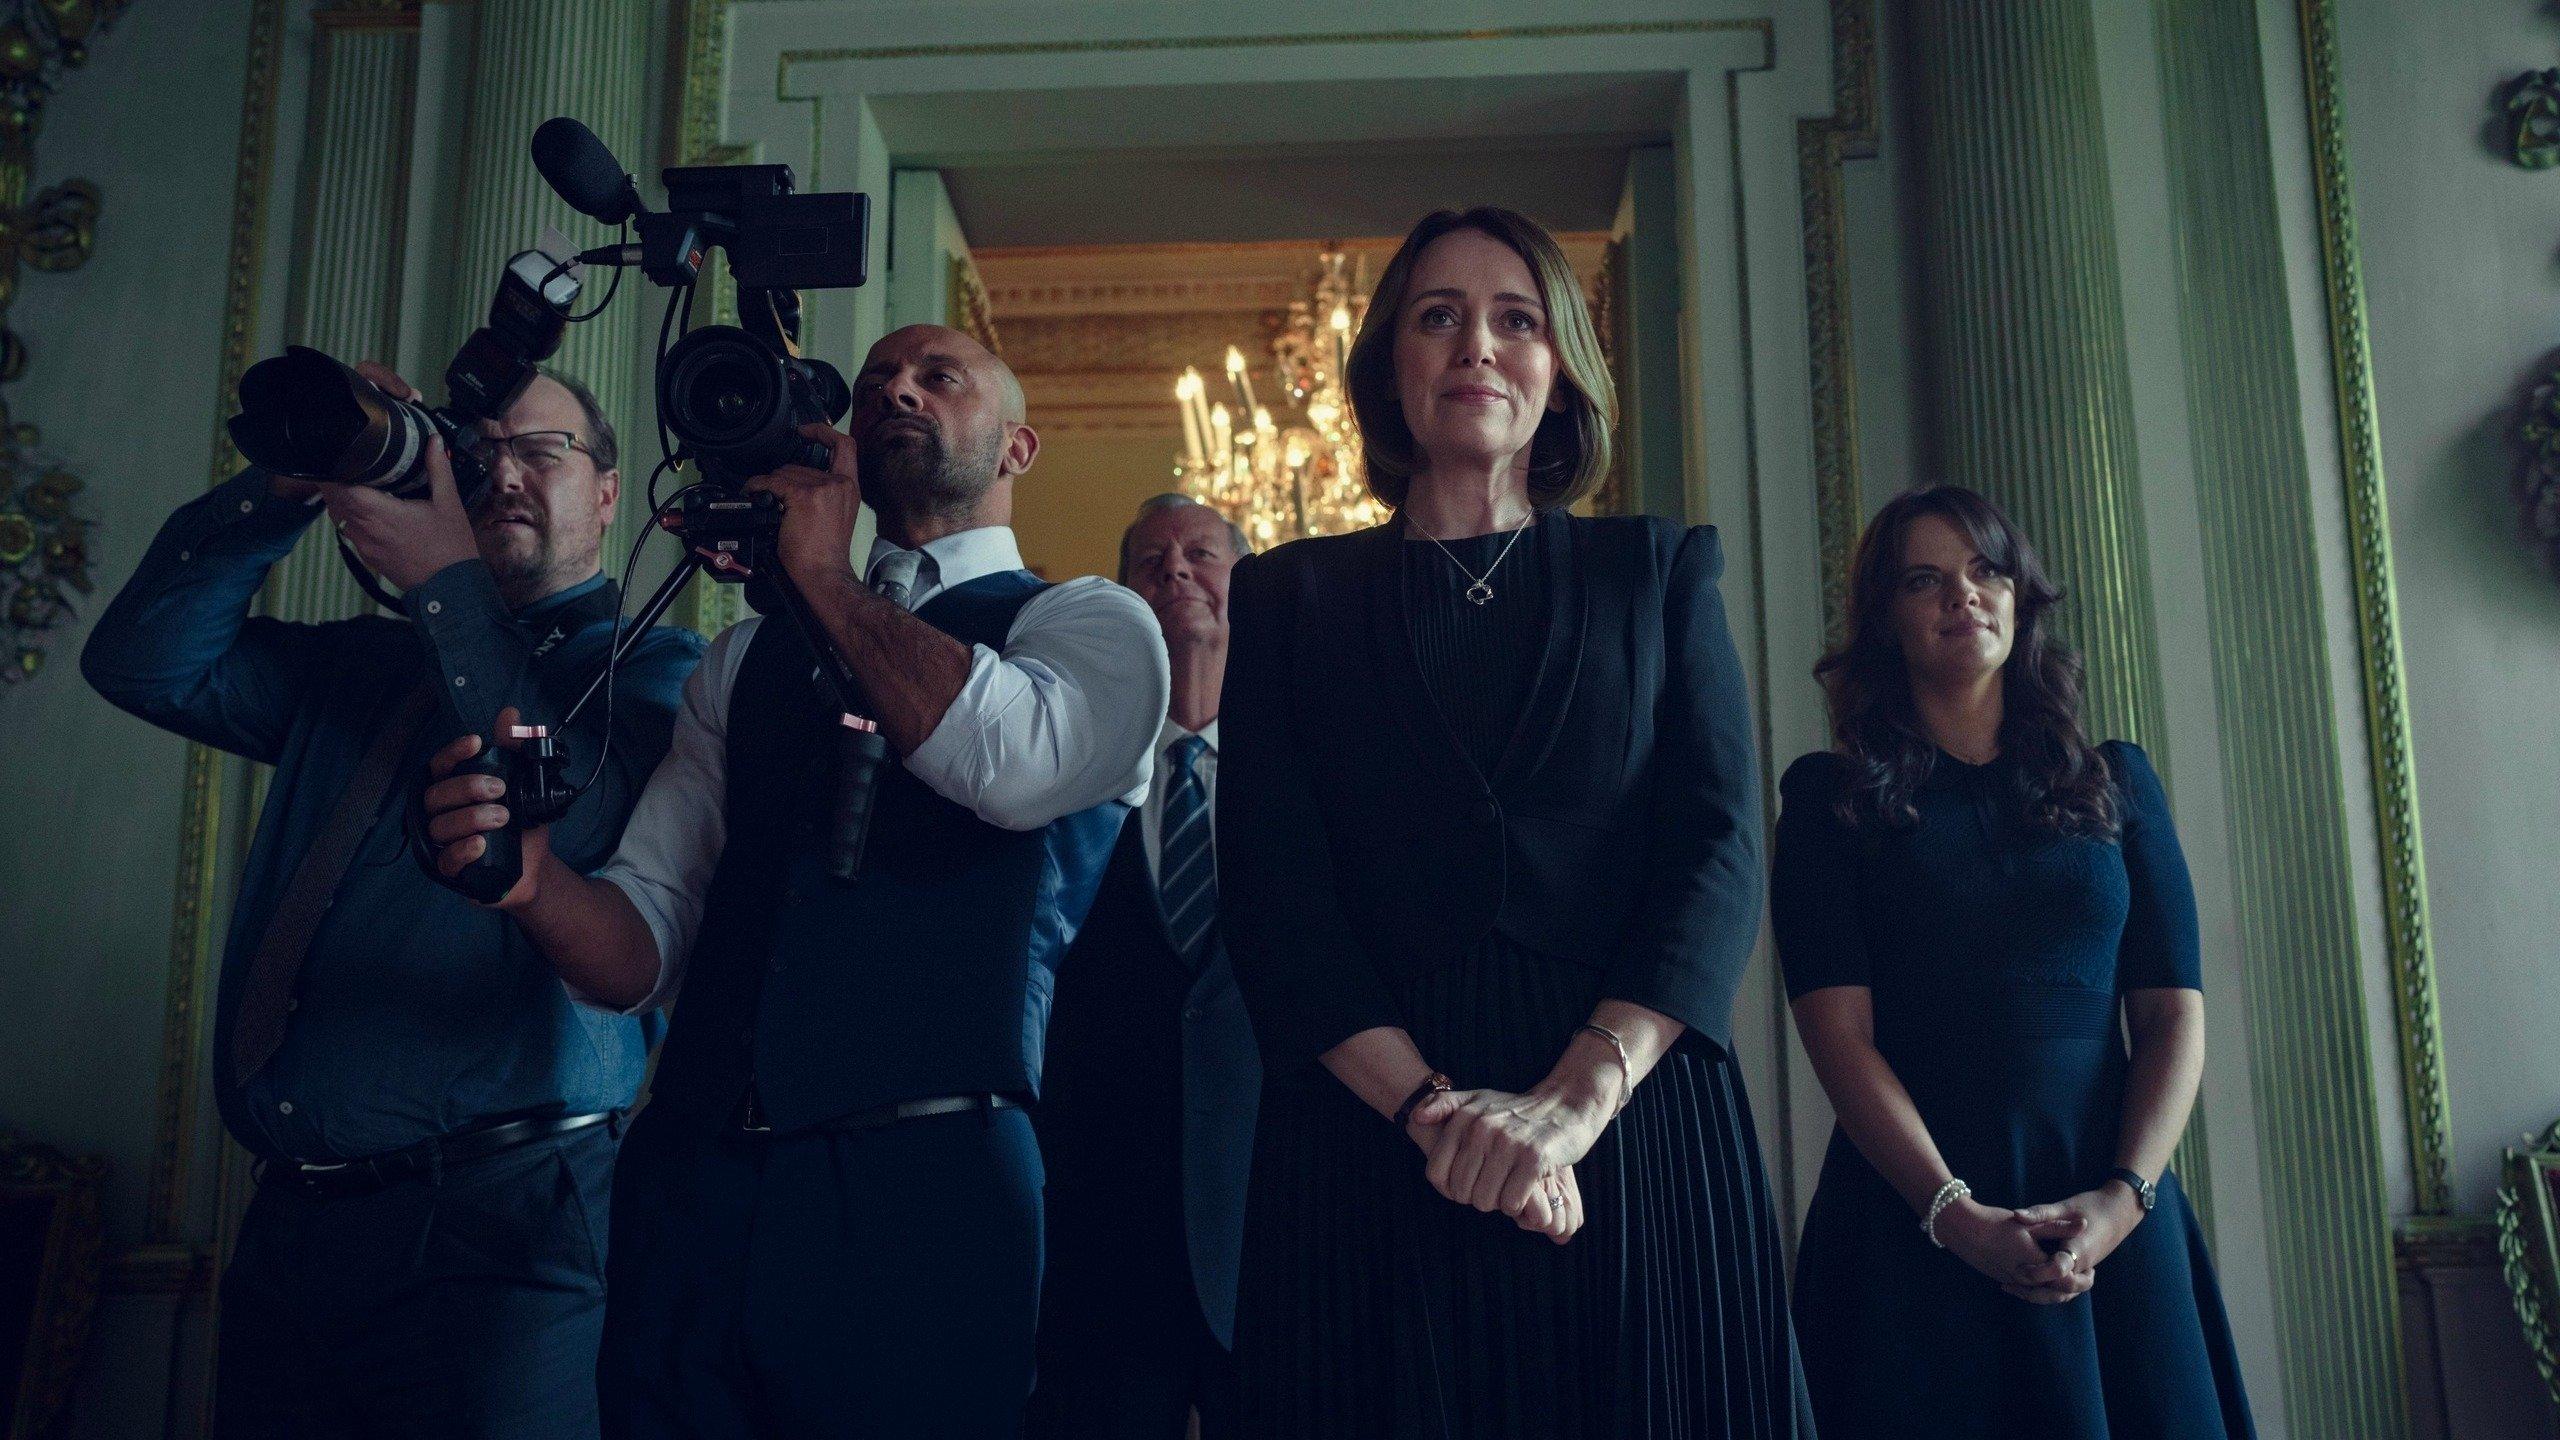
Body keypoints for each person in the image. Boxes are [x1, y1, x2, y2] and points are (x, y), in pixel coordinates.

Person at [422, 323, 1170, 1437]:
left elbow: (1010, 768)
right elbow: (645, 941)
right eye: (876, 384)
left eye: (939, 378)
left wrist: (817, 572)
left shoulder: (1090, 623)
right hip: (692, 1185)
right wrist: (529, 885)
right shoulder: (740, 661)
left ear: (1018, 446)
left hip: (931, 1187)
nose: (899, 393)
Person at [1216, 207, 1814, 1438]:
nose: (1475, 345)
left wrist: (1570, 1108)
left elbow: (1715, 856)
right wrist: (1439, 1118)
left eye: (1515, 319)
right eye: (1437, 317)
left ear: (1560, 368)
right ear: (1390, 365)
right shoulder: (1286, 595)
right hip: (1370, 1135)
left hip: (1630, 1121)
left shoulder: (1657, 571)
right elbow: (1275, 896)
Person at [83, 363, 703, 1437]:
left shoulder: (657, 674)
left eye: (541, 450)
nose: (503, 474)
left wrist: (447, 583)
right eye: (480, 453)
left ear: (608, 494)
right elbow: (142, 665)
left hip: (509, 1229)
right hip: (293, 1226)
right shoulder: (363, 669)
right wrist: (286, 484)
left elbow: (569, 817)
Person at [1771, 485, 2255, 1438]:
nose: (1963, 594)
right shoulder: (1829, 801)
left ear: (2020, 595)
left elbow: (2172, 1016)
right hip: (1911, 1220)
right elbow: (1838, 1039)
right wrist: (1955, 1217)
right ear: (1886, 617)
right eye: (1925, 580)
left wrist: (2121, 1203)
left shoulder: (2118, 781)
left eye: (1985, 569)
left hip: (2111, 1211)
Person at [1028, 494, 1262, 1439]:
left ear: (1249, 585)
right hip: (1099, 1231)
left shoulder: (1309, 777)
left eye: (1203, 553)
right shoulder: (1066, 775)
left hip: (1269, 1224)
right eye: (1151, 561)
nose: (1176, 570)